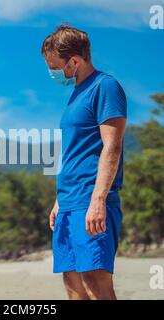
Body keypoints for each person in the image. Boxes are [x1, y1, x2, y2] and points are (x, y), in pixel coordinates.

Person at [41, 25, 127, 300]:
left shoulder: (105, 87)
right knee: (73, 284)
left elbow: (112, 148)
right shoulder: (75, 95)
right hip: (69, 201)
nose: (52, 73)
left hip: (90, 199)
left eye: (55, 66)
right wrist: (59, 200)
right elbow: (75, 152)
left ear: (74, 61)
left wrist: (98, 199)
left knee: (95, 283)